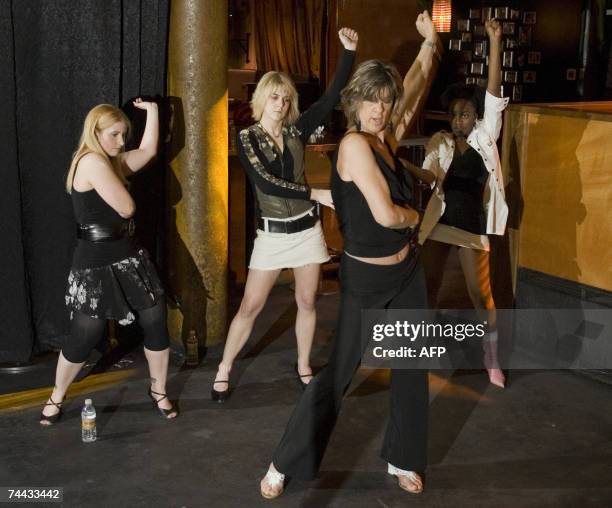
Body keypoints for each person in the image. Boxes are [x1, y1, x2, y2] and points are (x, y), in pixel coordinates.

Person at [259, 11, 441, 498]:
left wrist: (430, 43)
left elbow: (416, 88)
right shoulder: (356, 145)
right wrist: (414, 216)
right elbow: (385, 215)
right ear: (355, 102)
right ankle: (283, 462)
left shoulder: (386, 138)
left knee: (410, 368)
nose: (379, 110)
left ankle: (402, 460)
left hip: (406, 275)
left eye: (386, 101)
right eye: (371, 101)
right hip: (366, 278)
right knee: (338, 375)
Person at [211, 28, 359, 402]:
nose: (279, 103)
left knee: (308, 301)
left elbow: (329, 100)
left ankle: (303, 365)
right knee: (251, 305)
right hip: (274, 235)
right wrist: (316, 193)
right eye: (273, 96)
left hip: (307, 231)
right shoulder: (247, 137)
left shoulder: (296, 130)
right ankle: (225, 367)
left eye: (285, 97)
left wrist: (348, 53)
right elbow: (269, 183)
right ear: (261, 100)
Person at [39, 99, 177, 425]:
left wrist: (153, 113)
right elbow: (128, 208)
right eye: (114, 135)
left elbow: (148, 152)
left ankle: (159, 391)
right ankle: (56, 396)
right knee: (86, 333)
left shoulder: (110, 161)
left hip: (127, 254)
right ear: (96, 133)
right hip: (96, 259)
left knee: (155, 318)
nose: (121, 142)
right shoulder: (90, 162)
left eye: (123, 135)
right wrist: (121, 176)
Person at [417, 19, 508, 388]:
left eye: (465, 113)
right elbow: (428, 178)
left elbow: (493, 92)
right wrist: (401, 164)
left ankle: (491, 357)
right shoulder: (439, 141)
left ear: (476, 116)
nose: (458, 120)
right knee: (428, 286)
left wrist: (495, 42)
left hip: (471, 226)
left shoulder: (487, 137)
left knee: (479, 294)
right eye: (454, 114)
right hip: (439, 223)